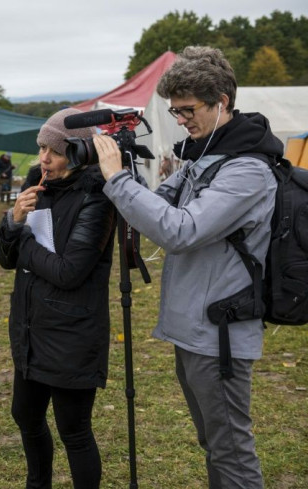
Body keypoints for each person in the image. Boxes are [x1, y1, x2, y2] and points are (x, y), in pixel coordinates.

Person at [95, 46, 279, 489]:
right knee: (214, 443)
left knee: (231, 450)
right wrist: (122, 171)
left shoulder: (247, 171)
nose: (181, 120)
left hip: (220, 338)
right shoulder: (203, 157)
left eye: (188, 110)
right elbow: (154, 206)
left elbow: (180, 231)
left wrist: (117, 179)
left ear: (223, 102)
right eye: (174, 111)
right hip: (195, 329)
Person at [0, 108, 116, 489]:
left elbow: (69, 271)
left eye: (55, 151)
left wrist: (24, 239)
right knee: (26, 416)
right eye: (41, 148)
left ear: (79, 153)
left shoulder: (97, 197)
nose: (44, 158)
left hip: (72, 333)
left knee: (74, 430)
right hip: (32, 326)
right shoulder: (37, 186)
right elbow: (5, 259)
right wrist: (13, 221)